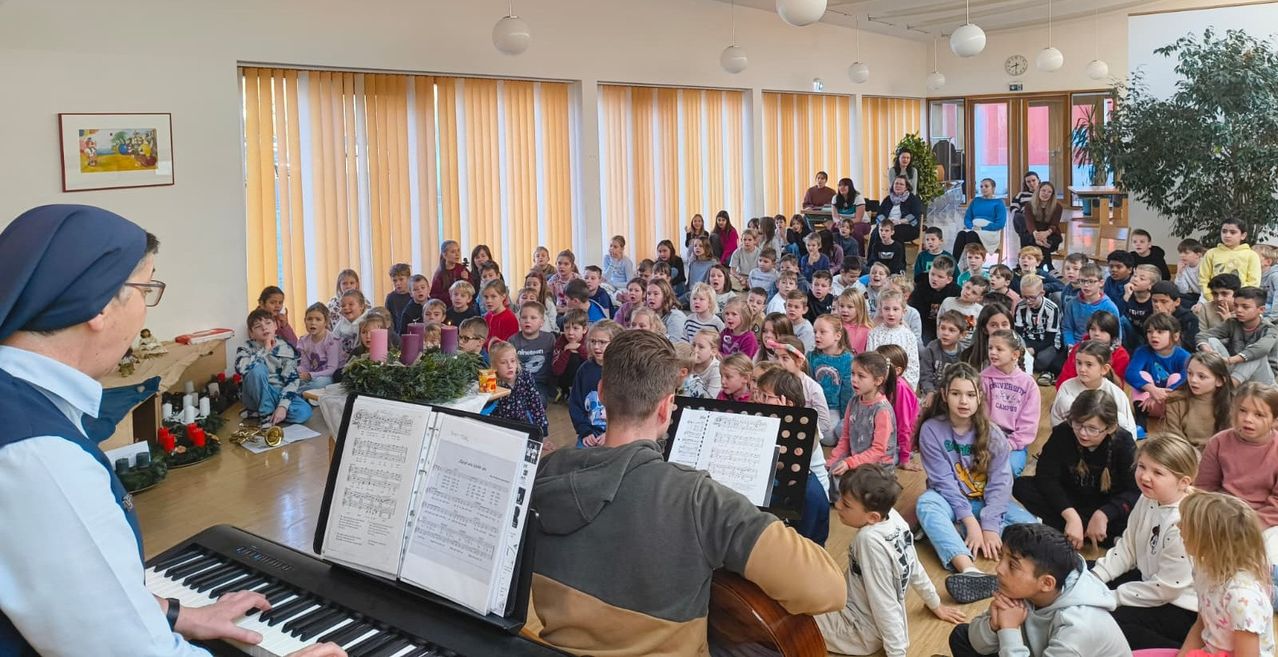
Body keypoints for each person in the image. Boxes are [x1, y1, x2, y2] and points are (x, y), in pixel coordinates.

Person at [0, 205, 345, 657]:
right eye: (146, 289)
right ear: (99, 305)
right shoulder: (39, 455)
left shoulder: (20, 403)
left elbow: (67, 590)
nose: (146, 311)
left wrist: (174, 613)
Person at [527, 330, 845, 656]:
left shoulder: (546, 471)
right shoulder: (700, 499)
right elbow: (828, 590)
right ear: (667, 408)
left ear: (601, 392)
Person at [915, 363, 1037, 604]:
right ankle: (969, 570)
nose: (963, 401)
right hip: (950, 501)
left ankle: (955, 531)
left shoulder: (993, 434)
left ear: (980, 397)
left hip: (985, 503)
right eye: (956, 393)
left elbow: (1001, 484)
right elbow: (943, 483)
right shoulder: (932, 430)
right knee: (926, 504)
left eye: (970, 395)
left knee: (1033, 530)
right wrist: (971, 523)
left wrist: (990, 525)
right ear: (944, 395)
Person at [816, 465, 966, 657]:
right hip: (854, 610)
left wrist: (897, 653)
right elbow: (913, 565)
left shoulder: (868, 541)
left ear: (872, 517)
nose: (837, 505)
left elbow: (885, 603)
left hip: (857, 632)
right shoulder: (893, 518)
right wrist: (935, 604)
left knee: (790, 614)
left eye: (846, 504)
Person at [947, 523, 1131, 657]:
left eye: (1012, 565)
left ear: (1046, 583)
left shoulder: (1077, 628)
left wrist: (1009, 629)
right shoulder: (1022, 589)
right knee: (962, 636)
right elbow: (978, 644)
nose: (999, 569)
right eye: (1002, 558)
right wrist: (994, 625)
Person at [1090, 433, 1199, 650]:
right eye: (1142, 466)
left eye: (1158, 472)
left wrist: (1111, 596)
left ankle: (1183, 649)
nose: (1145, 477)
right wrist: (1096, 577)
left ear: (1183, 482)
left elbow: (1166, 589)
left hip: (1181, 606)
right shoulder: (1147, 497)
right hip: (1149, 581)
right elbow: (1128, 547)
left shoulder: (1183, 523)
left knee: (1108, 623)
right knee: (1080, 573)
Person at [1015, 391, 1140, 549]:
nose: (1082, 433)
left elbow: (1135, 491)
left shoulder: (1123, 443)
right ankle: (1103, 537)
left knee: (1139, 513)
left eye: (1092, 429)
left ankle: (1070, 531)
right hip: (1071, 500)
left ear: (1110, 428)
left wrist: (1104, 514)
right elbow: (1046, 476)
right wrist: (1070, 516)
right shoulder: (1063, 432)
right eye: (1077, 424)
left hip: (1106, 506)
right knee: (1021, 486)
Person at [1176, 492, 1276, 657]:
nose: (1178, 526)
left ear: (1209, 539)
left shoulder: (1242, 598)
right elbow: (1202, 624)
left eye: (1187, 524)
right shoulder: (1204, 569)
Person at [1194, 382, 1278, 566]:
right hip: (1222, 515)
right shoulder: (1219, 442)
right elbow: (1204, 488)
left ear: (1274, 420)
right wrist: (1220, 520)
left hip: (1265, 522)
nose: (1248, 419)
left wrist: (1249, 526)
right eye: (1242, 411)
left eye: (1259, 415)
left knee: (1266, 559)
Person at [235, 309, 312, 426]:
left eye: (268, 323)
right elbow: (241, 369)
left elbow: (292, 380)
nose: (264, 328)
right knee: (257, 369)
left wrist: (283, 406)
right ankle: (266, 414)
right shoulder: (246, 348)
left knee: (304, 412)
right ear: (251, 333)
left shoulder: (285, 348)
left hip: (277, 392)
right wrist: (265, 350)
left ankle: (271, 412)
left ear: (275, 325)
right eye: (258, 326)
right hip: (254, 395)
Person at [1196, 286, 1278, 385]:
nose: (1238, 310)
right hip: (1235, 370)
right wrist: (1208, 350)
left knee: (1255, 354)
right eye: (1236, 305)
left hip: (1261, 380)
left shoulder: (1270, 329)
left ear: (1261, 309)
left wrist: (1230, 360)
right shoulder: (1232, 323)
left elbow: (1262, 349)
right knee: (1211, 341)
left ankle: (1229, 386)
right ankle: (1223, 381)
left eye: (1245, 307)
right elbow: (1203, 335)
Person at [1162, 352, 1234, 450]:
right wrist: (1192, 454)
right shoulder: (1175, 400)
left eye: (1201, 376)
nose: (1193, 380)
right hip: (1184, 454)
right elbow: (1173, 438)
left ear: (1219, 381)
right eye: (1190, 373)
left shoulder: (1232, 405)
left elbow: (1231, 442)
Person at [1199, 217, 1262, 299]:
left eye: (1233, 232)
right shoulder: (1211, 253)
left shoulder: (1251, 255)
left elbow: (1254, 282)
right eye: (1224, 231)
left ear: (1243, 235)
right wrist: (1211, 297)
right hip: (1214, 298)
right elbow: (1203, 279)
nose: (1227, 235)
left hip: (1240, 300)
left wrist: (1237, 299)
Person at [956, 178, 1007, 256]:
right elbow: (967, 218)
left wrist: (982, 228)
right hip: (974, 228)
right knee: (961, 234)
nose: (983, 188)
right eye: (981, 186)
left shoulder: (999, 203)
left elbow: (1000, 223)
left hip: (989, 232)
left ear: (993, 188)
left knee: (971, 235)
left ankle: (974, 260)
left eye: (986, 186)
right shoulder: (976, 201)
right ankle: (953, 261)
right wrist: (972, 227)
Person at [1017, 181, 1063, 264]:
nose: (1046, 194)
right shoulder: (1029, 205)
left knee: (1042, 243)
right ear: (1038, 191)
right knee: (1029, 238)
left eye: (1049, 192)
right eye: (1043, 190)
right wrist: (1036, 236)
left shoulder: (1058, 206)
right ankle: (1049, 266)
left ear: (1052, 194)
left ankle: (1026, 265)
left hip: (1050, 234)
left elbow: (1054, 224)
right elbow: (1029, 223)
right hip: (1035, 233)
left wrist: (1045, 234)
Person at [873, 175, 922, 246]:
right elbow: (879, 214)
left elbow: (915, 216)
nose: (898, 186)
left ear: (906, 187)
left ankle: (896, 253)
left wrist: (899, 221)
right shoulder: (888, 199)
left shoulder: (913, 199)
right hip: (887, 224)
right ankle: (875, 253)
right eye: (896, 183)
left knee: (894, 232)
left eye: (901, 184)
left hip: (907, 226)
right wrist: (886, 222)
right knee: (876, 232)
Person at [429, 239, 470, 305]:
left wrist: (466, 280)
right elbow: (434, 296)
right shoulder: (439, 274)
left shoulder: (462, 269)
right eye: (453, 252)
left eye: (458, 250)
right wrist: (452, 294)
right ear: (445, 255)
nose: (457, 254)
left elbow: (471, 290)